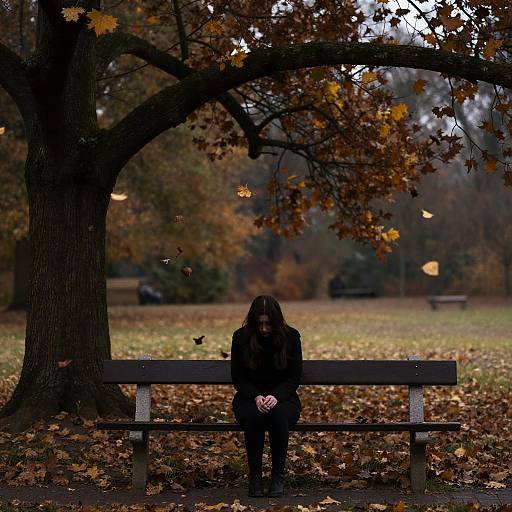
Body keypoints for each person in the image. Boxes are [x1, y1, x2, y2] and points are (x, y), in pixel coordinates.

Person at [230, 295, 303, 498]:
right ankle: (255, 478)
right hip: (248, 398)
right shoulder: (240, 337)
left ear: (276, 321)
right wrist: (255, 397)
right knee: (254, 415)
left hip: (285, 399)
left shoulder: (291, 337)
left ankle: (277, 476)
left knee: (278, 414)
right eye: (259, 324)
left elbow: (293, 377)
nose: (263, 329)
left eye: (268, 324)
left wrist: (275, 396)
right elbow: (238, 378)